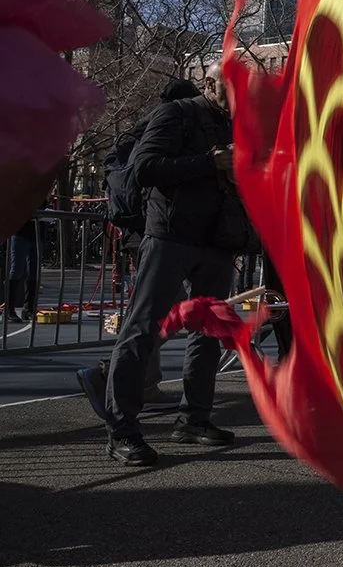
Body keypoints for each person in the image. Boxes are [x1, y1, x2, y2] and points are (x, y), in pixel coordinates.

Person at [103, 64, 253, 467]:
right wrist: (210, 161)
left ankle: (194, 419)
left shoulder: (233, 124)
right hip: (170, 237)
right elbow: (145, 168)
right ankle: (122, 431)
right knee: (142, 329)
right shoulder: (175, 113)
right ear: (210, 83)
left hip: (216, 241)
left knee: (209, 333)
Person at [77, 79, 203, 419]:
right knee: (166, 311)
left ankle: (145, 384)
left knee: (155, 310)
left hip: (139, 231)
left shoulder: (139, 130)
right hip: (157, 231)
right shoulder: (172, 127)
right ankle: (110, 373)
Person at [6, 213, 38, 322]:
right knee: (17, 270)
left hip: (37, 232)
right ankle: (9, 309)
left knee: (33, 271)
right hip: (21, 232)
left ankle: (28, 308)